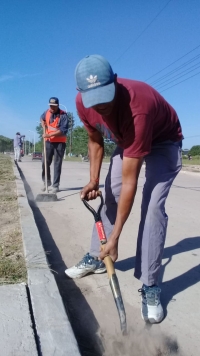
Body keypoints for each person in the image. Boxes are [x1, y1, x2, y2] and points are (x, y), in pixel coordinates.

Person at [65, 54, 183, 324]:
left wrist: (116, 236)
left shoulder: (137, 105)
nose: (103, 106)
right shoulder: (82, 104)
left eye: (107, 96)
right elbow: (95, 141)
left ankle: (150, 284)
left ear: (115, 81)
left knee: (152, 208)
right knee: (110, 192)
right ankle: (97, 256)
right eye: (95, 100)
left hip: (164, 141)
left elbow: (132, 179)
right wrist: (93, 180)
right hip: (127, 139)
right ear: (80, 93)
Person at [40, 97, 68, 193]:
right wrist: (42, 123)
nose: (52, 108)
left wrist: (49, 134)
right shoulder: (46, 112)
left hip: (59, 143)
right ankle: (46, 183)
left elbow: (63, 130)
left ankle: (55, 185)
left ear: (58, 106)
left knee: (57, 164)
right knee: (45, 162)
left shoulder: (63, 115)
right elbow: (42, 118)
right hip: (48, 142)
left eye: (54, 106)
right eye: (50, 106)